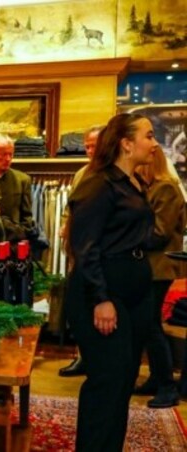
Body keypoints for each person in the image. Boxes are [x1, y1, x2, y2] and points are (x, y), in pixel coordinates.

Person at [65, 112, 157, 451]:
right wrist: (101, 297)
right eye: (148, 136)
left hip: (133, 294)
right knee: (108, 382)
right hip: (103, 294)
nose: (155, 142)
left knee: (123, 382)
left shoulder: (133, 181)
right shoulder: (98, 183)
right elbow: (84, 246)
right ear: (126, 143)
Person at [133, 144, 186, 408]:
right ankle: (157, 377)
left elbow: (161, 231)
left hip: (159, 266)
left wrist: (129, 239)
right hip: (152, 266)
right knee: (148, 324)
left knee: (151, 325)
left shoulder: (165, 188)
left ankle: (166, 385)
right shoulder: (152, 188)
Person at [59, 124, 102, 377]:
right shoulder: (81, 174)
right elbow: (70, 206)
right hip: (78, 248)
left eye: (94, 146)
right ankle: (82, 354)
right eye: (87, 145)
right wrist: (66, 224)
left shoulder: (113, 174)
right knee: (80, 305)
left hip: (99, 251)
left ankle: (95, 357)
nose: (89, 150)